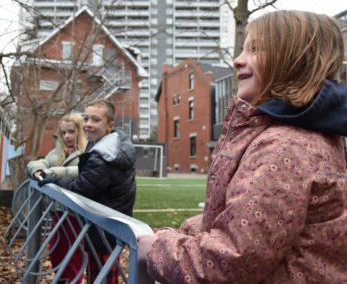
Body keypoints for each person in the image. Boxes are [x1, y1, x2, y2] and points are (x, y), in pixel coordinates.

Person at [137, 10, 347, 283]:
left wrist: (155, 250)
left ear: (293, 62)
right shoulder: (288, 136)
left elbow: (231, 261)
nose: (238, 60)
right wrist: (188, 230)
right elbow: (254, 221)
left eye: (256, 50)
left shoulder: (287, 147)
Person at [39, 99, 137, 284]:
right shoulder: (108, 144)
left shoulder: (104, 154)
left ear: (110, 125)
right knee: (101, 270)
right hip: (107, 220)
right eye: (86, 119)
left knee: (102, 273)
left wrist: (56, 181)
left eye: (95, 120)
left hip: (105, 223)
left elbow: (83, 188)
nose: (88, 124)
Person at [26, 112, 87, 283]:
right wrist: (37, 171)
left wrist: (51, 173)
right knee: (56, 253)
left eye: (71, 131)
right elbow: (39, 163)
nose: (67, 136)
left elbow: (80, 172)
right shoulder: (57, 152)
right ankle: (60, 280)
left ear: (80, 132)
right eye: (63, 132)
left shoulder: (87, 152)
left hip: (76, 214)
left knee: (73, 256)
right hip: (57, 212)